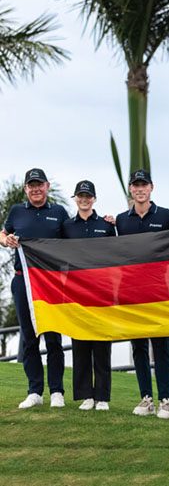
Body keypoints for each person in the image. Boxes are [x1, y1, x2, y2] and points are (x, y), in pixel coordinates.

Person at [0, 168, 68, 408]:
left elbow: (75, 238)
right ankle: (35, 392)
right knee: (29, 338)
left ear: (47, 186)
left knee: (53, 337)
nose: (36, 189)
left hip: (51, 283)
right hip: (23, 281)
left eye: (39, 185)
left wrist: (105, 222)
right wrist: (6, 239)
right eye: (32, 185)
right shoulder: (16, 211)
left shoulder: (59, 212)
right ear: (26, 189)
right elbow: (3, 233)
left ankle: (57, 391)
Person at [115, 169, 169, 419]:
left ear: (151, 188)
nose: (140, 189)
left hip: (159, 290)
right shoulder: (121, 220)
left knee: (161, 346)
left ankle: (165, 400)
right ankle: (146, 398)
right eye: (136, 185)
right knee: (138, 346)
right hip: (131, 290)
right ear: (131, 189)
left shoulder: (166, 216)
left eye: (144, 185)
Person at [62, 180, 116, 411]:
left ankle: (102, 397)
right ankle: (86, 396)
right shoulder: (66, 227)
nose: (84, 200)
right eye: (80, 196)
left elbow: (116, 256)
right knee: (80, 344)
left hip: (102, 292)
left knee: (102, 345)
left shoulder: (106, 225)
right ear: (75, 198)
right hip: (76, 293)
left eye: (88, 196)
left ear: (94, 199)